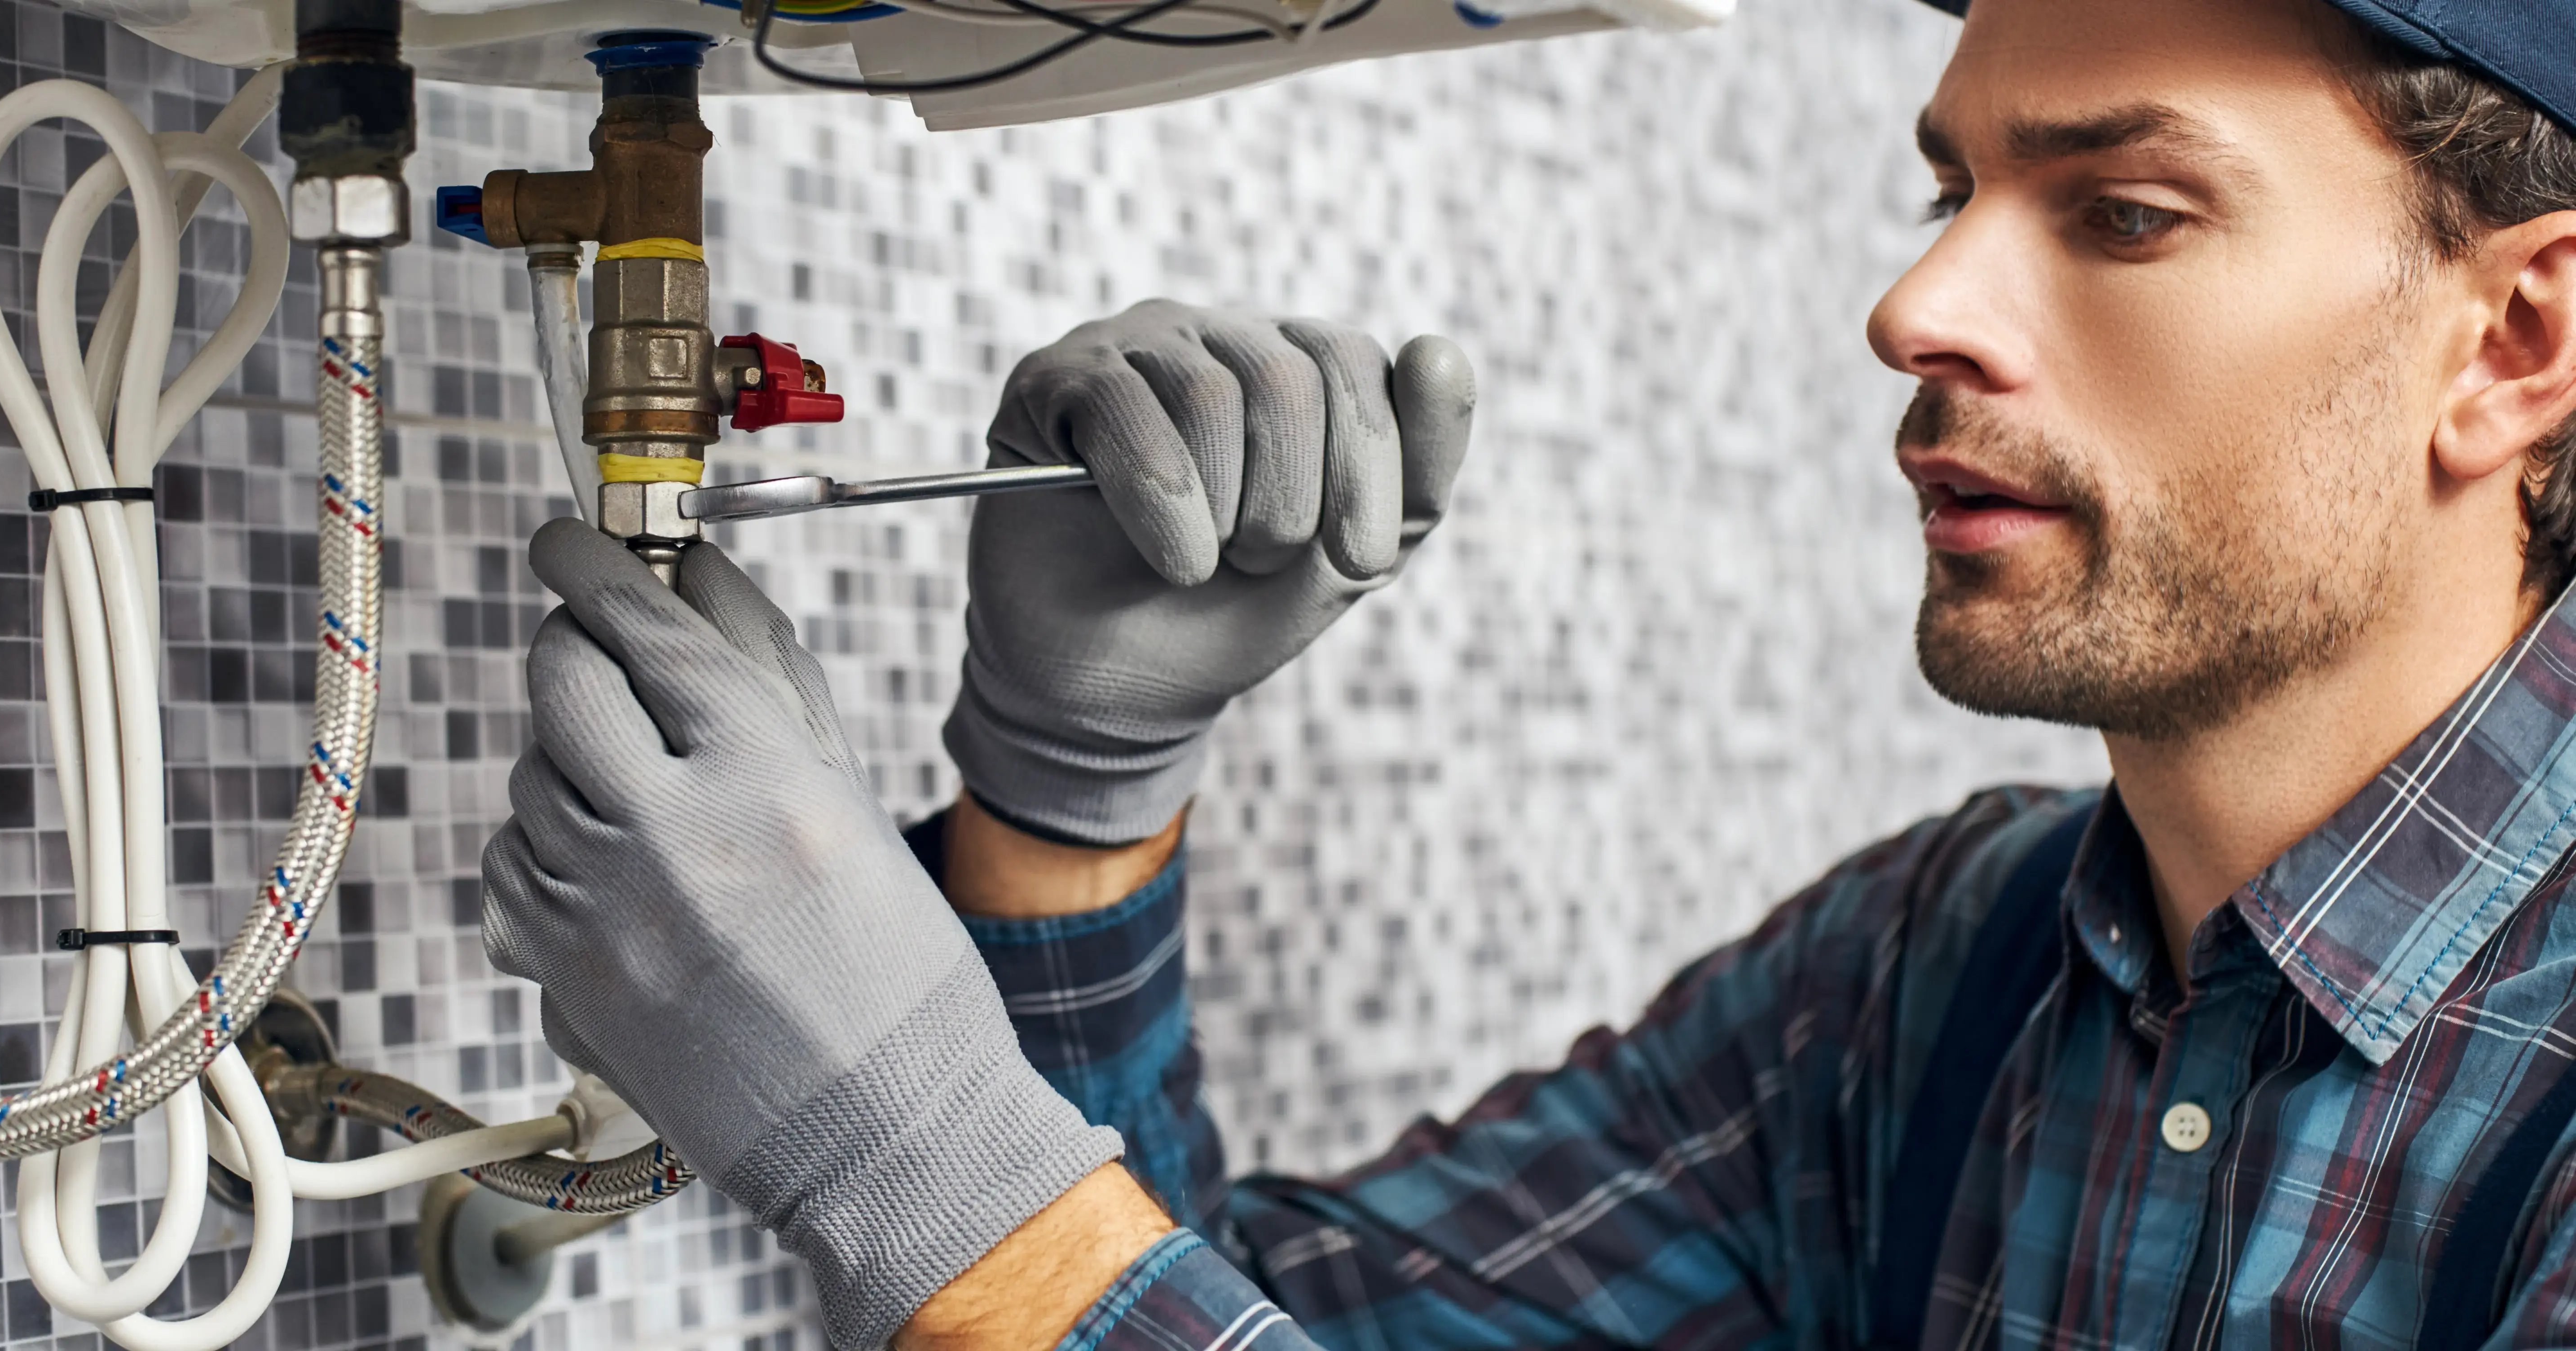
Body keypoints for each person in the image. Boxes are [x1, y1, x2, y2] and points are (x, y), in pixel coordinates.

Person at [473, 0, 2576, 1346]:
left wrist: (908, 1156)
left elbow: (1046, 1264)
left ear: (2514, 345)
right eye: (1948, 189)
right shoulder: (1941, 972)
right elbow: (1220, 1311)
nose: (1915, 301)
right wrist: (1067, 788)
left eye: (2119, 211)